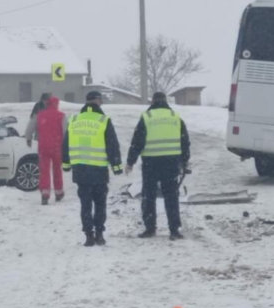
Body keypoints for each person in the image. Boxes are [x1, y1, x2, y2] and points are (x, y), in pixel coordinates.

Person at [126, 92, 191, 240]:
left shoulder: (147, 117)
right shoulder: (175, 116)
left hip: (151, 162)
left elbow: (137, 142)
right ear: (165, 101)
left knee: (149, 195)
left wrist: (131, 161)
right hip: (171, 162)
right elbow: (185, 141)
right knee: (171, 196)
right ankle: (174, 230)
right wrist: (185, 160)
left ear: (153, 101)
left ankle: (150, 229)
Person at [62, 91, 123, 247]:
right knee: (100, 203)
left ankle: (89, 235)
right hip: (99, 170)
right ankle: (99, 234)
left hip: (80, 170)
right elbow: (112, 144)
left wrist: (66, 164)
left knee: (86, 204)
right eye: (100, 101)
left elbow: (66, 143)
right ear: (97, 101)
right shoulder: (103, 120)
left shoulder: (74, 120)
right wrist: (116, 165)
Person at [26, 96, 67, 205]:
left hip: (43, 146)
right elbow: (65, 132)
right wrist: (66, 145)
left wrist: (28, 138)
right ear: (56, 104)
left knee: (44, 170)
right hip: (57, 147)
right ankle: (58, 192)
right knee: (57, 169)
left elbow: (30, 127)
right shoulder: (61, 116)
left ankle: (45, 193)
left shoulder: (40, 115)